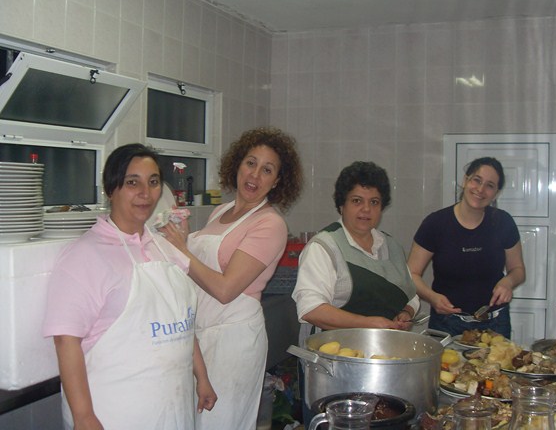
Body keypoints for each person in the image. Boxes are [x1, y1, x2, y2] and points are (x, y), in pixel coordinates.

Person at [42, 143, 216, 430]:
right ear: (111, 189)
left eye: (153, 182)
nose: (145, 193)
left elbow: (181, 323)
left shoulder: (164, 248)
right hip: (116, 412)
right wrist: (83, 416)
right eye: (132, 182)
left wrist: (202, 376)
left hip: (173, 408)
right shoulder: (84, 255)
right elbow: (65, 340)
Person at [162, 127, 303, 430]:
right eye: (251, 163)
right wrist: (182, 241)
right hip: (202, 334)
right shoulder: (221, 211)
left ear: (277, 181)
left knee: (220, 422)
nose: (255, 175)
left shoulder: (270, 224)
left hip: (233, 340)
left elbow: (226, 289)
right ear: (238, 164)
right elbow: (200, 270)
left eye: (267, 170)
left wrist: (181, 251)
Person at [291, 161, 419, 424]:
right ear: (342, 204)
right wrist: (369, 324)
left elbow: (411, 295)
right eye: (357, 201)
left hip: (382, 364)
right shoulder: (324, 247)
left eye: (374, 202)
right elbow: (311, 309)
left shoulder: (391, 245)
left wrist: (405, 312)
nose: (366, 210)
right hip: (334, 370)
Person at [407, 156, 526, 339]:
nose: (480, 189)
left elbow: (518, 270)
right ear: (465, 180)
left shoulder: (503, 222)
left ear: (496, 193)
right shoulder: (436, 223)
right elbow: (411, 274)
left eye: (490, 185)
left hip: (495, 323)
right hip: (446, 322)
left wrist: (508, 282)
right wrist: (432, 297)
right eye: (476, 180)